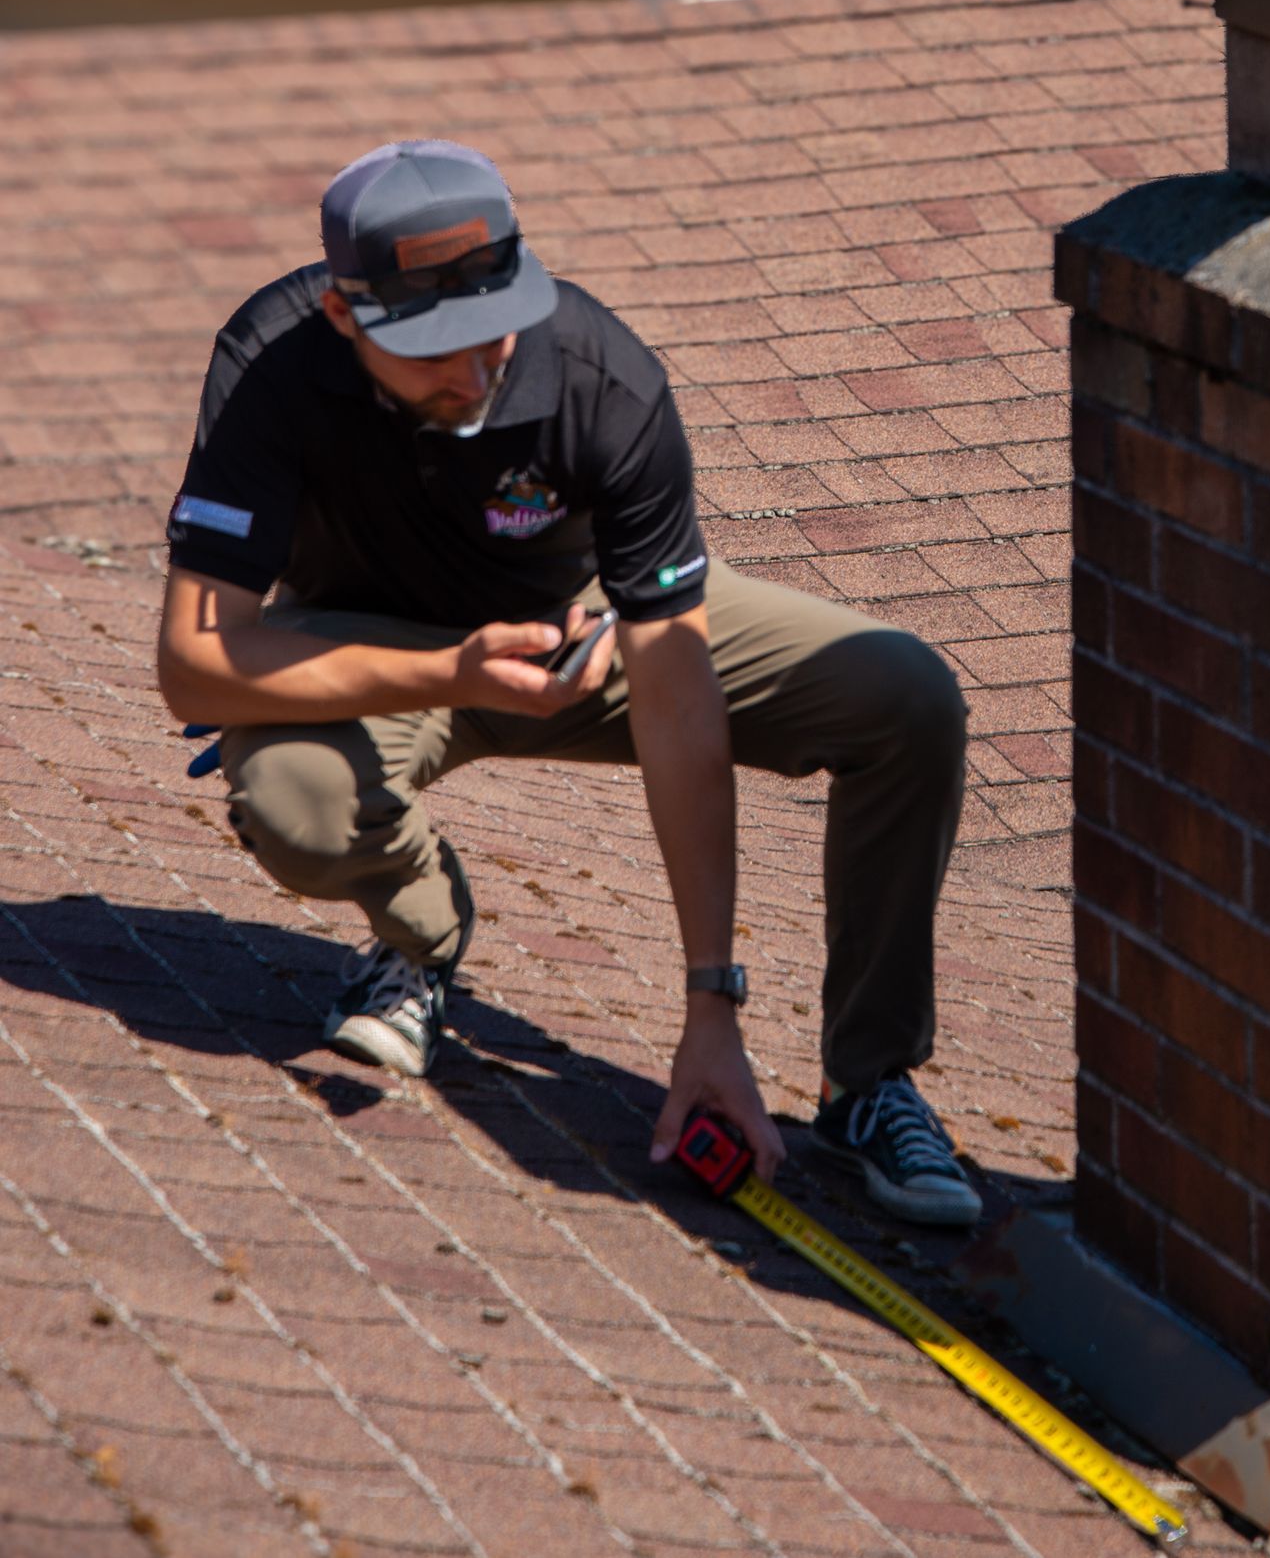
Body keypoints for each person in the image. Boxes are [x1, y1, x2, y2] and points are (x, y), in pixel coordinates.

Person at [156, 139, 978, 1228]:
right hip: (384, 649)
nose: (474, 374)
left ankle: (869, 1082)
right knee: (293, 801)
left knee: (906, 696)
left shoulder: (604, 378)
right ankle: (421, 944)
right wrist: (447, 670)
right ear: (348, 319)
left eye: (488, 334)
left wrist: (710, 1008)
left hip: (590, 628)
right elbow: (193, 664)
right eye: (432, 352)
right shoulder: (272, 362)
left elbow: (678, 686)